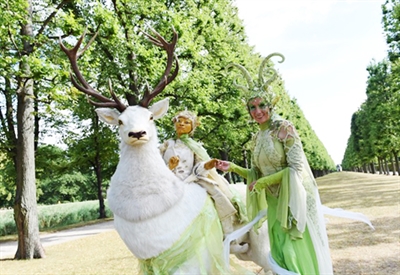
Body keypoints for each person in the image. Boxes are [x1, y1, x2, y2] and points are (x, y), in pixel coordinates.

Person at [213, 54, 334, 274]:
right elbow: (255, 174)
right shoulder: (256, 138)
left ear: (270, 104)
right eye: (252, 107)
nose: (257, 111)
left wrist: (263, 182)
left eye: (261, 105)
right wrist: (231, 167)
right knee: (279, 252)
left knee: (294, 251)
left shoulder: (284, 128)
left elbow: (296, 169)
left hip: (293, 201)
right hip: (273, 202)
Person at [159, 110, 248, 253]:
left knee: (218, 196)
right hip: (168, 184)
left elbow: (198, 168)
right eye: (179, 120)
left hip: (190, 181)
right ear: (174, 123)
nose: (182, 123)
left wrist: (207, 165)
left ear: (192, 127)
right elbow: (156, 169)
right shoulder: (165, 146)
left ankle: (229, 237)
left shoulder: (195, 146)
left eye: (187, 122)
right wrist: (169, 167)